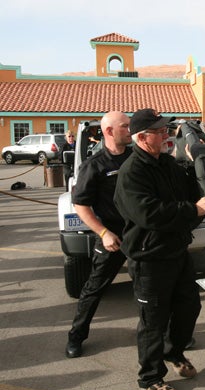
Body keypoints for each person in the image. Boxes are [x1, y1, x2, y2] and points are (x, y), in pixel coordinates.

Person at [114, 108, 205, 390]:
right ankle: (150, 377)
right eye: (159, 132)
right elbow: (149, 214)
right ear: (142, 137)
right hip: (149, 258)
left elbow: (189, 191)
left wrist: (192, 159)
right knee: (153, 320)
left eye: (165, 130)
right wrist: (192, 210)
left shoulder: (167, 165)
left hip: (175, 251)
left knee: (189, 307)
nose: (165, 135)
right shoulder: (132, 172)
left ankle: (174, 352)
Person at [65, 111, 133, 358]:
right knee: (94, 289)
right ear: (109, 131)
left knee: (152, 287)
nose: (130, 130)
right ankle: (76, 336)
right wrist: (103, 233)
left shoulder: (138, 158)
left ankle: (169, 337)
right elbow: (81, 205)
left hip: (139, 234)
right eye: (125, 126)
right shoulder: (93, 165)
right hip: (111, 235)